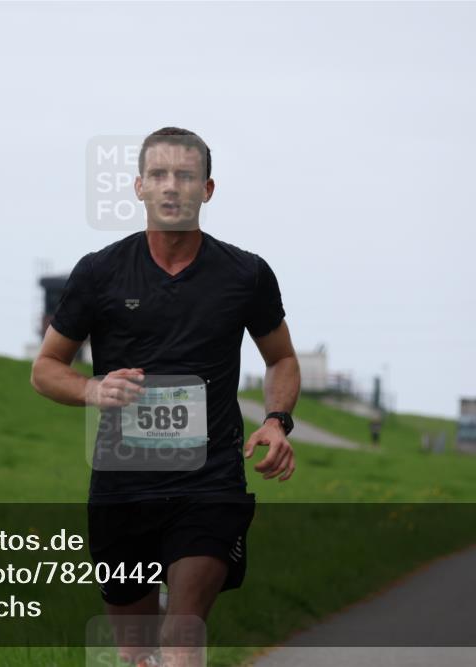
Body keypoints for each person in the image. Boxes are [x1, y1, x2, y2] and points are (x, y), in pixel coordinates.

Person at [31, 127, 301, 667]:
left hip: (210, 480)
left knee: (180, 637)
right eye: (158, 175)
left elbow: (282, 360)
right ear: (138, 187)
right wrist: (92, 387)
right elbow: (45, 369)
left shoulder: (245, 274)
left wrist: (276, 421)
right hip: (121, 484)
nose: (171, 187)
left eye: (185, 175)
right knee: (133, 655)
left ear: (208, 189)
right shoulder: (100, 272)